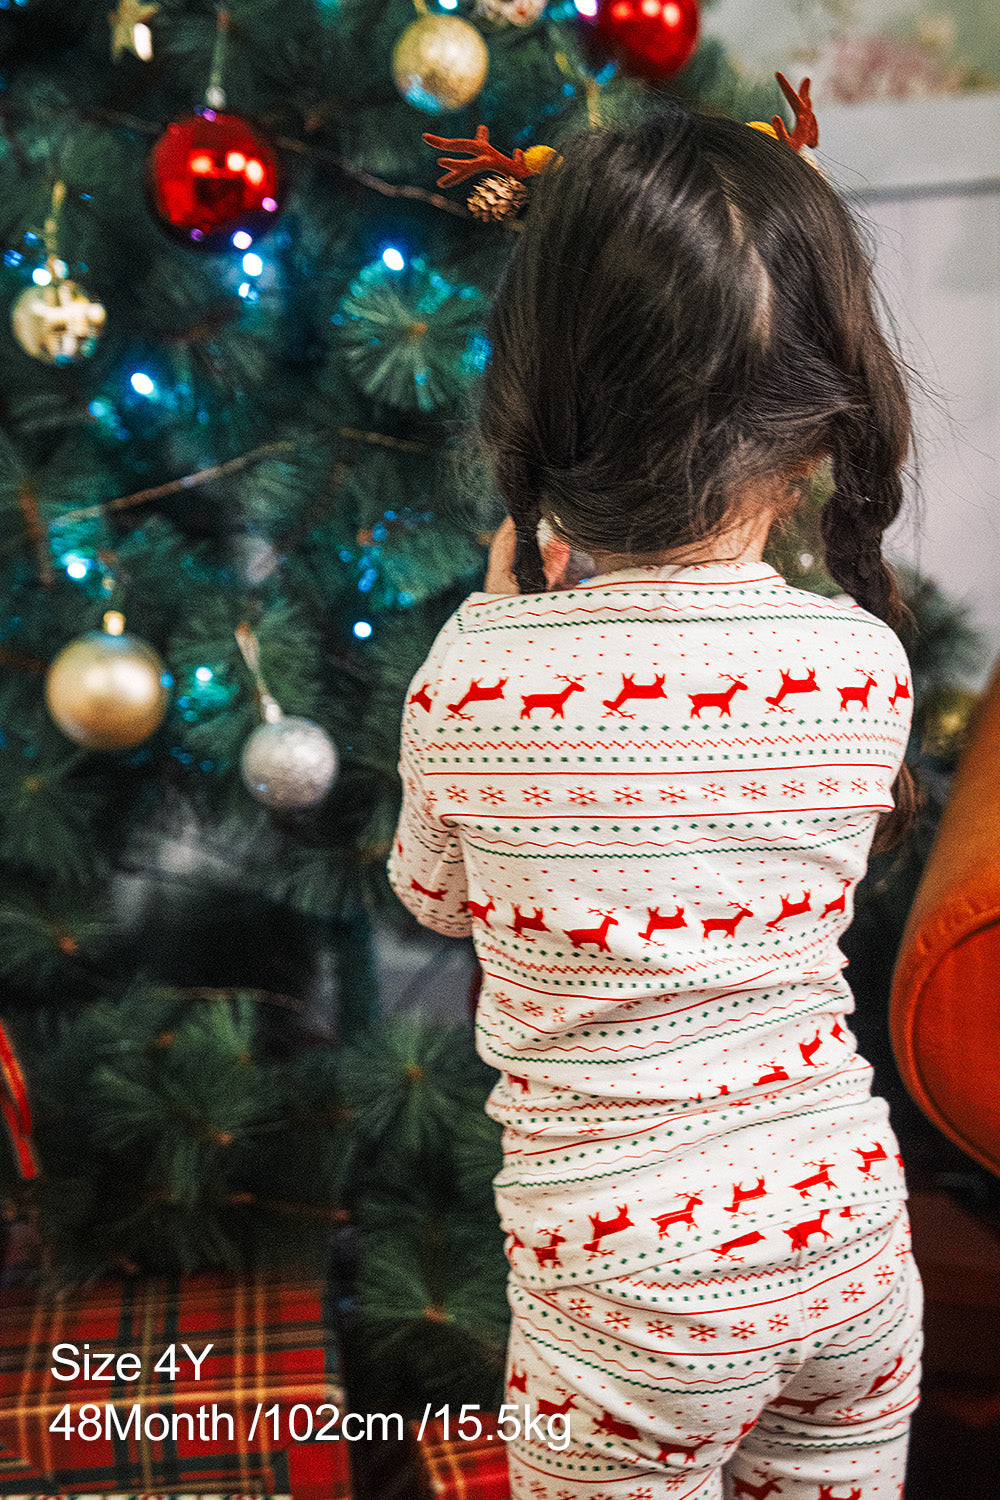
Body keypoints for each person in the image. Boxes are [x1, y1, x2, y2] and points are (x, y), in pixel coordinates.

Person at [388, 98, 922, 1500]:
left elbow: (436, 897)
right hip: (850, 1240)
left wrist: (504, 627)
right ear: (816, 438)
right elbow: (780, 889)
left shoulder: (474, 672)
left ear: (539, 410)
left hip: (627, 1292)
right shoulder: (859, 666)